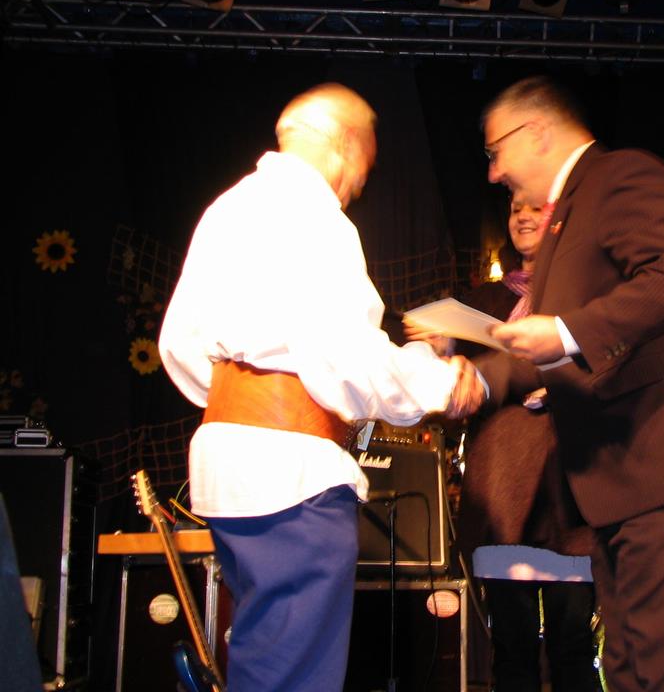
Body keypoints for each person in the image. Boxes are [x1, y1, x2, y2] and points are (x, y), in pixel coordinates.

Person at [158, 82, 484, 692]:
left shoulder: (227, 208)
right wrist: (441, 383)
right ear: (347, 145)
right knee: (293, 675)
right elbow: (348, 359)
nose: (360, 184)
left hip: (227, 469)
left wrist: (253, 393)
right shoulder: (314, 215)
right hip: (290, 475)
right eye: (366, 166)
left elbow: (179, 345)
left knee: (264, 655)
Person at [473, 75, 664, 692]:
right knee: (631, 673)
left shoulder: (620, 176)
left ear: (536, 132)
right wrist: (472, 378)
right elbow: (545, 345)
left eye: (495, 151)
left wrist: (566, 331)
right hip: (620, 488)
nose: (494, 173)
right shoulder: (562, 224)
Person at [412, 194, 601, 692]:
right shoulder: (484, 304)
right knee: (512, 651)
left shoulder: (584, 298)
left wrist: (561, 386)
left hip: (565, 493)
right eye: (516, 209)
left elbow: (605, 371)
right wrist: (439, 350)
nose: (522, 217)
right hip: (502, 491)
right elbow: (453, 390)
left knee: (571, 647)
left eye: (535, 208)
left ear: (559, 221)